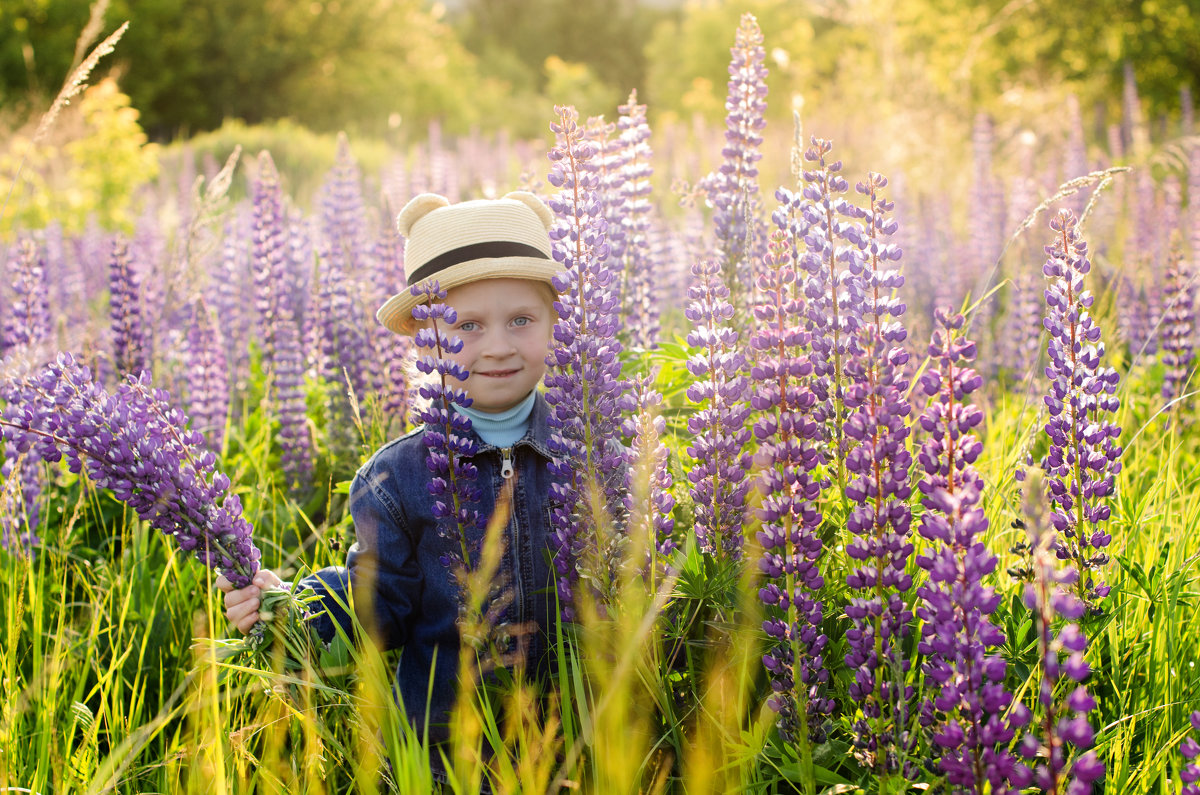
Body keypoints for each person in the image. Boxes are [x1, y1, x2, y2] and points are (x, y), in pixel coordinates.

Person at [217, 190, 564, 768]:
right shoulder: (396, 478)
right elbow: (376, 612)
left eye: (521, 319)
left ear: (558, 324)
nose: (498, 345)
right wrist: (289, 613)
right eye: (468, 325)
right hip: (445, 752)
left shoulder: (588, 448)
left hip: (581, 736)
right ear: (423, 340)